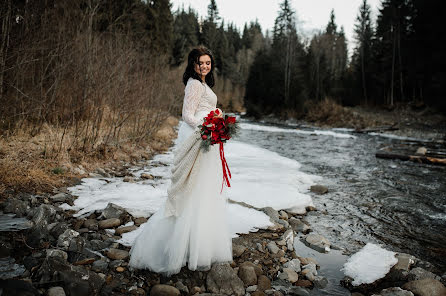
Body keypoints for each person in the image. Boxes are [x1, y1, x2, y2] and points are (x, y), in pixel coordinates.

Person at [129, 46, 233, 276]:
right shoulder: (194, 84)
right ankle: (178, 248)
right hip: (198, 138)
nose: (204, 66)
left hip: (207, 139)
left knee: (204, 190)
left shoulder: (205, 84)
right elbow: (187, 115)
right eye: (200, 63)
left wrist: (217, 117)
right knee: (192, 189)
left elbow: (205, 109)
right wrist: (209, 125)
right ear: (192, 65)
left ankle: (197, 245)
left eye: (207, 62)